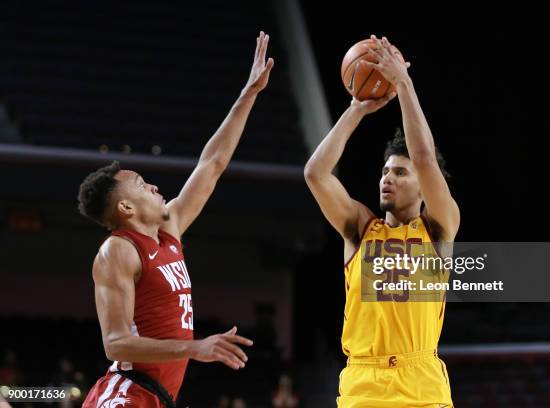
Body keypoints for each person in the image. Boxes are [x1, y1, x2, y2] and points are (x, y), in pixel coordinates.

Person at [79, 31, 274, 407]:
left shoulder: (168, 230)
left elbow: (212, 164)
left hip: (156, 396)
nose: (152, 185)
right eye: (139, 184)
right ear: (125, 209)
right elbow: (114, 343)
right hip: (126, 394)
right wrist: (196, 347)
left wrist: (249, 93)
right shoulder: (117, 251)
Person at [304, 35, 459, 407]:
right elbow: (315, 173)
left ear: (424, 186)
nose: (388, 178)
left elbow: (423, 157)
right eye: (386, 171)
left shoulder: (439, 226)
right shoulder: (360, 227)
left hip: (420, 382)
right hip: (363, 382)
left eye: (400, 173)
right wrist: (356, 110)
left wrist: (403, 83)